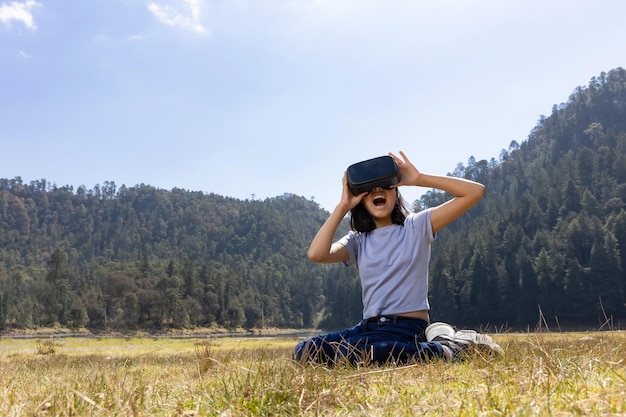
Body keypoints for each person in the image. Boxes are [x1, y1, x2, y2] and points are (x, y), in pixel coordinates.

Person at [293, 150, 502, 366]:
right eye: (368, 190)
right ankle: (440, 340)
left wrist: (419, 179)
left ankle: (449, 349)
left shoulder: (416, 226)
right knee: (305, 351)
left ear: (396, 192)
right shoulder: (358, 240)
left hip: (407, 327)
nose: (377, 191)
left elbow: (474, 192)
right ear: (361, 201)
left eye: (384, 186)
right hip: (368, 328)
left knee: (351, 355)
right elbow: (317, 254)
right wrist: (343, 206)